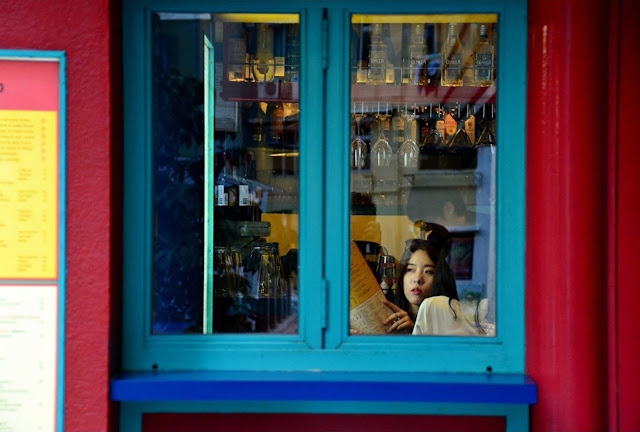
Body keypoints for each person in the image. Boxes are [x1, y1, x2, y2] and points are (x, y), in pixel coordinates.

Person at [383, 222, 485, 336]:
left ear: (440, 277)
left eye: (428, 272)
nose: (417, 279)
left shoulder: (446, 313)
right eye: (410, 270)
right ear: (402, 277)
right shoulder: (387, 318)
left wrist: (414, 331)